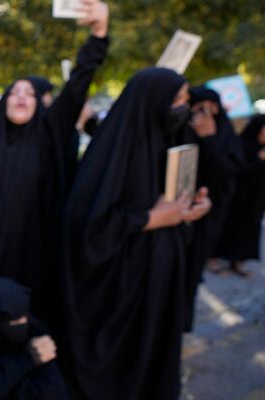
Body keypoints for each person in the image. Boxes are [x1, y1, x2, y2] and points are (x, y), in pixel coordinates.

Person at [0, 0, 110, 316]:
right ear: (4, 101)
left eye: (29, 93)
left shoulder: (49, 135)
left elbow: (75, 88)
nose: (21, 96)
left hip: (31, 253)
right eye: (14, 91)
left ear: (38, 105)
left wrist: (98, 34)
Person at [58, 68, 212, 400]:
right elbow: (85, 225)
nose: (185, 105)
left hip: (157, 280)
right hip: (120, 287)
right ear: (153, 101)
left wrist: (189, 209)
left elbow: (169, 201)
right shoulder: (112, 151)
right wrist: (150, 218)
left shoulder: (166, 139)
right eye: (179, 98)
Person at [182, 85, 244, 330]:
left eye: (211, 108)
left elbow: (227, 175)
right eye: (199, 109)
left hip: (208, 221)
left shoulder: (226, 137)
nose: (206, 114)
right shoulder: (184, 133)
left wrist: (209, 139)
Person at [0, 275, 69, 399]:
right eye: (16, 321)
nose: (24, 322)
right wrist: (24, 361)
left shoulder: (31, 331)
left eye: (24, 317)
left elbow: (54, 392)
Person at [216, 115, 265, 275]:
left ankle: (238, 261)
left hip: (256, 201)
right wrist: (258, 159)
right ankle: (216, 258)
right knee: (232, 229)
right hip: (239, 198)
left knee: (249, 232)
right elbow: (237, 171)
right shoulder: (242, 145)